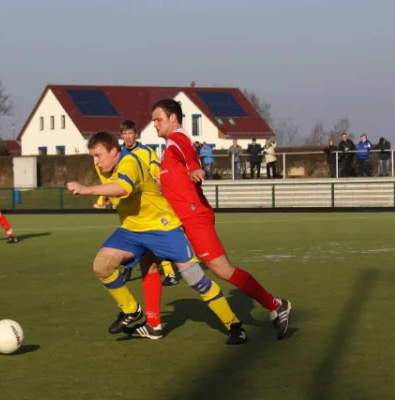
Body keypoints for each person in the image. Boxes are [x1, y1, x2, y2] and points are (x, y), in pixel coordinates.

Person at [67, 131, 247, 344]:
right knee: (102, 266)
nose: (95, 162)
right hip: (132, 229)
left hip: (162, 228)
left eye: (99, 156)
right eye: (93, 157)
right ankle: (132, 311)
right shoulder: (105, 166)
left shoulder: (129, 162)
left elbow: (123, 187)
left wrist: (86, 189)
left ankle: (234, 325)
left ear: (114, 151)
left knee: (195, 279)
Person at [151, 98, 292, 339]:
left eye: (158, 119)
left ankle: (276, 305)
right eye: (153, 120)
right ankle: (150, 322)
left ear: (173, 118)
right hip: (179, 221)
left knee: (222, 269)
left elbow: (188, 153)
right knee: (149, 259)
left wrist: (195, 167)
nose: (155, 124)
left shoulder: (177, 139)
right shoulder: (169, 146)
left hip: (194, 218)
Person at [117, 120, 179, 286]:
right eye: (125, 133)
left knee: (155, 235)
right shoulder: (119, 154)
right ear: (121, 135)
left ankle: (170, 274)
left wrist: (158, 182)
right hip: (128, 203)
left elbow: (155, 171)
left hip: (148, 201)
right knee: (129, 235)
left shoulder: (147, 151)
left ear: (136, 134)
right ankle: (128, 267)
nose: (128, 136)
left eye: (131, 133)